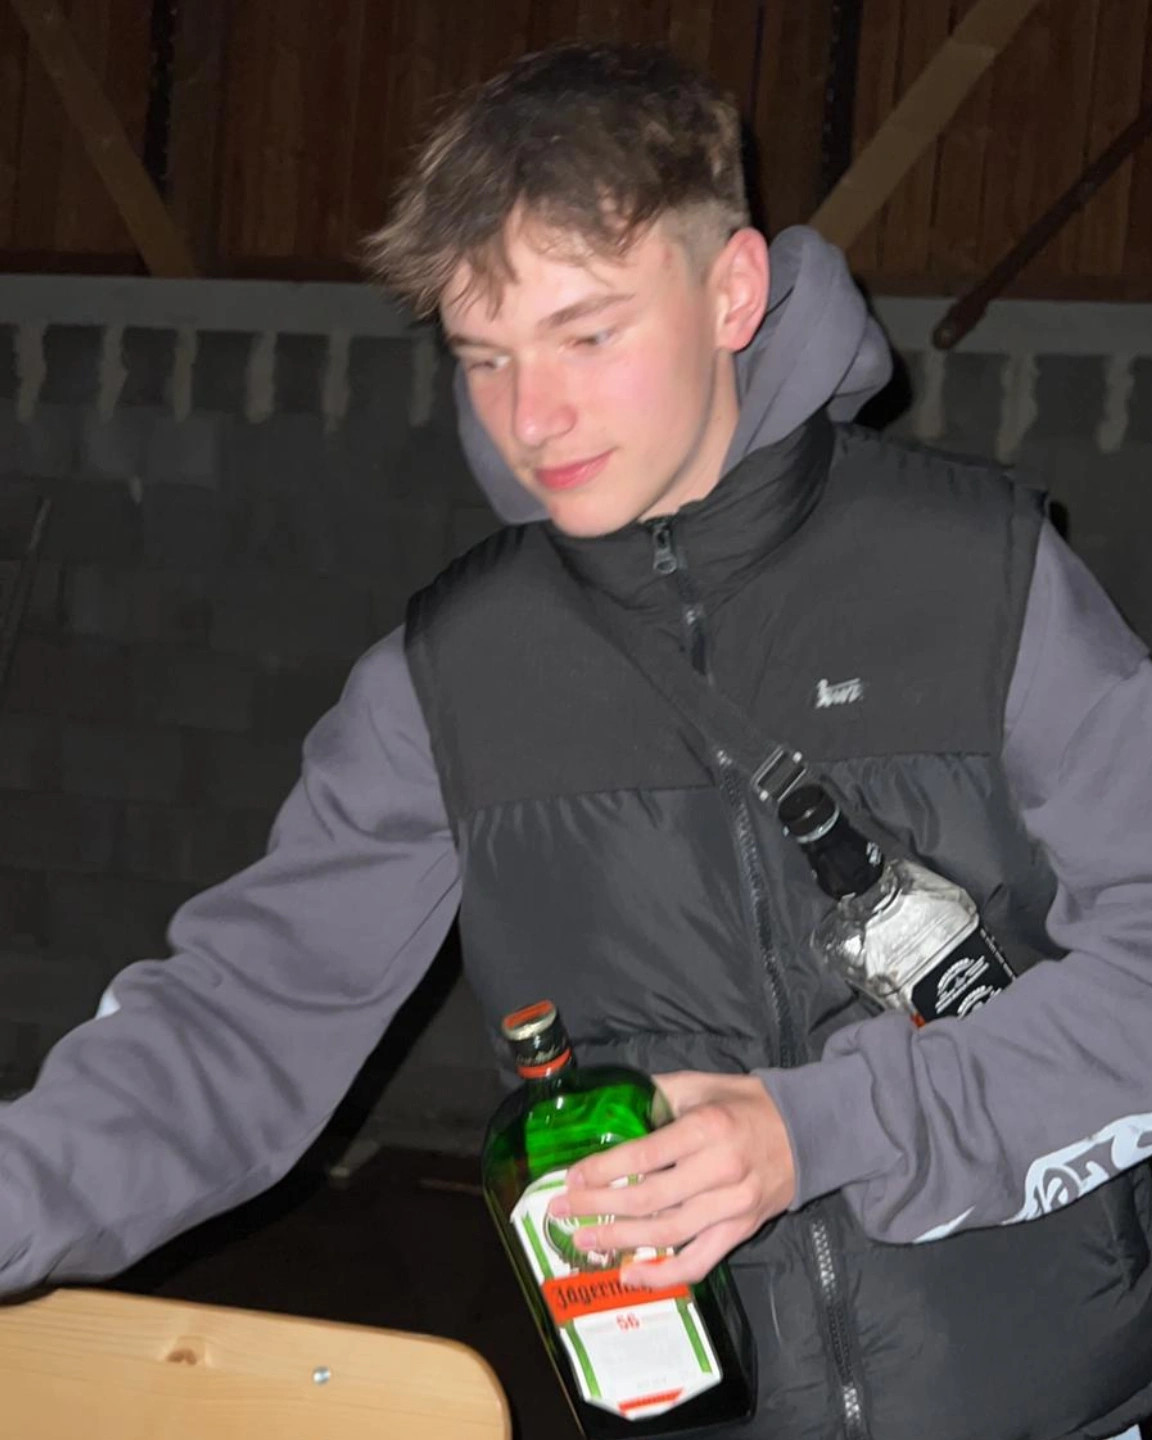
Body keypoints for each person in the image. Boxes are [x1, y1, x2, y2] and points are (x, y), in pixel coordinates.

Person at [1, 39, 1151, 1440]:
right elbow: (237, 1029)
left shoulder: (982, 575)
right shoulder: (447, 679)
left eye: (588, 335)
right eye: (485, 357)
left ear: (732, 292)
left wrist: (820, 1132)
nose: (529, 420)